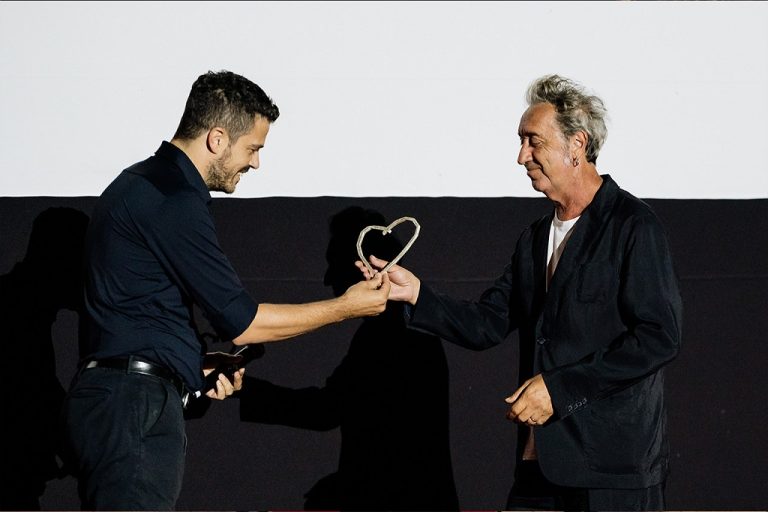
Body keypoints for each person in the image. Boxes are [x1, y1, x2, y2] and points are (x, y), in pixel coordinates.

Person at [62, 70, 390, 511]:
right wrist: (347, 307)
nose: (255, 163)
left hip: (120, 403)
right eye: (253, 148)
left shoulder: (143, 184)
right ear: (217, 138)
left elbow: (137, 308)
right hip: (132, 408)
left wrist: (188, 362)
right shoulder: (171, 199)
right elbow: (243, 322)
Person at [358, 75, 683, 511]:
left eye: (533, 142)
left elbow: (659, 336)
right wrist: (416, 294)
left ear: (576, 145)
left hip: (614, 469)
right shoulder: (535, 238)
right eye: (521, 142)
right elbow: (488, 322)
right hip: (541, 461)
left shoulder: (633, 226)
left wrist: (560, 389)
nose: (520, 157)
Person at [239, 206, 459, 511]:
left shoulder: (390, 335)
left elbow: (328, 410)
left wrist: (242, 389)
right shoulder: (406, 329)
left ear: (361, 266)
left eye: (334, 263)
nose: (328, 277)